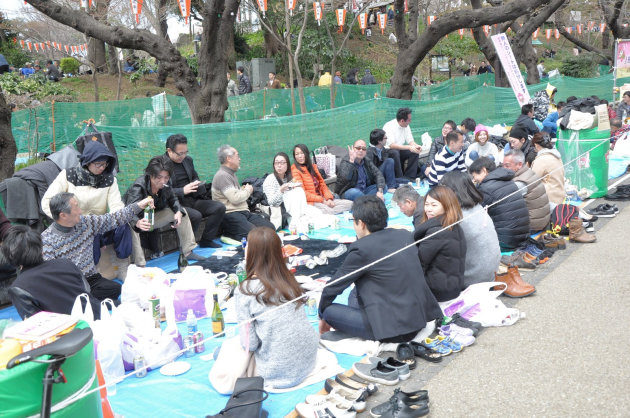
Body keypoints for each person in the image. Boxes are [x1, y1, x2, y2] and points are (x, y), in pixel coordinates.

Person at [319, 196, 442, 342]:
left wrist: (321, 314)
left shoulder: (361, 249)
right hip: (419, 318)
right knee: (354, 293)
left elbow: (332, 287)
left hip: (395, 329)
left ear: (362, 224)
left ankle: (356, 330)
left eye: (354, 221)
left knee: (329, 311)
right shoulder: (403, 234)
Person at [234, 227, 318, 388]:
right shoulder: (288, 278)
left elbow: (249, 344)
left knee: (226, 351)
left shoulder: (245, 290)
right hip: (309, 359)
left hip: (278, 372)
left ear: (250, 253)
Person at [42, 192, 153, 301]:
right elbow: (51, 277)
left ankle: (90, 301)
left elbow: (114, 218)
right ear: (63, 215)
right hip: (70, 286)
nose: (80, 211)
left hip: (92, 279)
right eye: (76, 207)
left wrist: (139, 205)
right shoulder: (47, 240)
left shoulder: (86, 222)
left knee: (117, 289)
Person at [41, 140, 130, 268]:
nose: (102, 168)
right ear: (87, 161)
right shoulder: (68, 176)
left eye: (104, 164)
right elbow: (47, 202)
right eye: (98, 164)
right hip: (75, 226)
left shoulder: (110, 180)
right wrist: (69, 221)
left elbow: (116, 206)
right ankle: (88, 275)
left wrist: (111, 220)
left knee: (123, 223)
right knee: (88, 236)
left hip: (99, 224)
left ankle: (123, 264)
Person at [3, 225, 101, 319]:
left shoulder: (18, 287)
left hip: (73, 332)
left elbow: (34, 322)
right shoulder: (65, 263)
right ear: (41, 249)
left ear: (9, 257)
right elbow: (87, 290)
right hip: (100, 317)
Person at [124, 156, 206, 267]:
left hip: (152, 218)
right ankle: (140, 264)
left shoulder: (166, 184)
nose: (163, 181)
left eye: (166, 177)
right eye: (159, 177)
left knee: (182, 212)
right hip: (136, 219)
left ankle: (188, 251)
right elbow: (129, 212)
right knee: (130, 225)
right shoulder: (138, 186)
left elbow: (173, 199)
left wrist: (178, 211)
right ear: (150, 174)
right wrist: (137, 222)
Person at [438, 171, 501, 287]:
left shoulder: (457, 217)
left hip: (473, 279)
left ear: (451, 191)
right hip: (492, 273)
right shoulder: (477, 207)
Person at [165, 134, 226, 248]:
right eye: (180, 153)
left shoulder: (188, 160)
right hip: (174, 204)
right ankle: (187, 247)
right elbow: (161, 190)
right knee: (195, 216)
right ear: (169, 150)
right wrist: (182, 190)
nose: (183, 156)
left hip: (192, 199)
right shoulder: (161, 164)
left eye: (185, 152)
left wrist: (197, 184)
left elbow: (194, 177)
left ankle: (206, 240)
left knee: (219, 207)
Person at [414, 186, 466, 302]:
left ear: (446, 206)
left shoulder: (437, 232)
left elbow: (419, 264)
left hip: (439, 292)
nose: (428, 209)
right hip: (453, 286)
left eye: (434, 205)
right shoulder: (453, 225)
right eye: (426, 204)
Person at [211, 145, 274, 240]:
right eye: (237, 156)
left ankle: (237, 232)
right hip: (230, 214)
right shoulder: (222, 175)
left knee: (270, 229)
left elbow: (235, 195)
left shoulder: (231, 174)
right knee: (255, 236)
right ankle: (229, 233)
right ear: (229, 158)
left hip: (244, 212)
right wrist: (248, 190)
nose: (239, 159)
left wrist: (243, 190)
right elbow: (235, 198)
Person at [468, 157, 530, 251]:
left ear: (484, 171)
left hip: (507, 242)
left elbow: (477, 215)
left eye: (474, 175)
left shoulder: (486, 188)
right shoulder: (508, 180)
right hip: (523, 236)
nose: (474, 179)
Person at [291, 144, 353, 215]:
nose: (300, 156)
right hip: (311, 203)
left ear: (306, 154)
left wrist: (328, 199)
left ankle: (333, 212)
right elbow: (303, 194)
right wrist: (322, 200)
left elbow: (322, 185)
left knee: (350, 204)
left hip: (323, 199)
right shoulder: (295, 171)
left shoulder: (313, 167)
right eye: (297, 154)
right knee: (329, 211)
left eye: (302, 153)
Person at [262, 152, 319, 229]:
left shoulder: (287, 177)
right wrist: (281, 191)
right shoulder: (270, 179)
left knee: (299, 191)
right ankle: (295, 221)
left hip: (289, 208)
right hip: (279, 211)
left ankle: (299, 217)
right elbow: (271, 202)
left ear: (287, 165)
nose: (279, 165)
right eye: (277, 163)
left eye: (282, 163)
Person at [502, 149, 551, 232]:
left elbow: (504, 202)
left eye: (507, 165)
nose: (504, 168)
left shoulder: (520, 183)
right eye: (503, 165)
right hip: (541, 220)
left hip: (533, 225)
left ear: (519, 165)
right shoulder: (528, 171)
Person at [382, 107, 422, 179]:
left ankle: (410, 176)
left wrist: (416, 146)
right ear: (402, 121)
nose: (410, 121)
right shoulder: (388, 126)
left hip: (400, 149)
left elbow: (410, 140)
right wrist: (409, 147)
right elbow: (391, 145)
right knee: (395, 152)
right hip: (388, 151)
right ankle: (399, 178)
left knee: (415, 151)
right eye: (409, 120)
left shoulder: (406, 125)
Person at [530, 132, 565, 205]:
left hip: (549, 198)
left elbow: (533, 180)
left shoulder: (541, 159)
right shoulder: (556, 156)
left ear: (536, 145)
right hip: (560, 194)